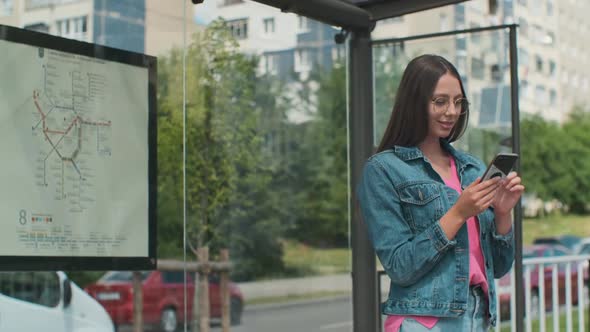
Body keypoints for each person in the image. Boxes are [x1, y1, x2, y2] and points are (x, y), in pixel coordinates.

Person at [357, 54, 524, 331]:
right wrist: (459, 213)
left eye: (458, 102)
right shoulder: (383, 169)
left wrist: (503, 214)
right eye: (440, 101)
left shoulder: (472, 168)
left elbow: (501, 267)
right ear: (414, 103)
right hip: (425, 322)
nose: (451, 111)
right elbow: (399, 266)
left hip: (478, 318)